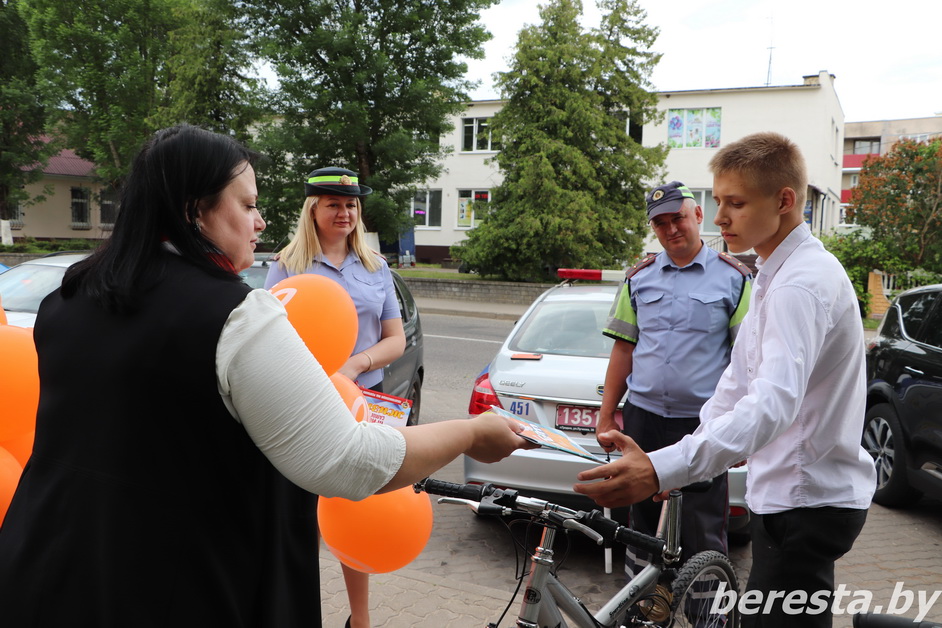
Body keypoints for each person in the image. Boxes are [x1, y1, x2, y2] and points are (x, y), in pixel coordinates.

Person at [0, 124, 533, 628]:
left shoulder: (68, 298)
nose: (259, 223)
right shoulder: (234, 315)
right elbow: (348, 461)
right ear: (194, 211)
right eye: (248, 205)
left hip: (48, 573)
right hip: (174, 590)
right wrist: (470, 433)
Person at [575, 132, 876, 628]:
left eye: (735, 203)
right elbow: (737, 380)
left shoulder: (797, 283)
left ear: (784, 201)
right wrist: (676, 465)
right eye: (718, 202)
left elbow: (771, 402)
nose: (720, 217)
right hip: (790, 493)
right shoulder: (774, 273)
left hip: (804, 501)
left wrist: (667, 467)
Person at [263, 167, 402, 628]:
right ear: (313, 210)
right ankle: (291, 609)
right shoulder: (287, 266)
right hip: (303, 401)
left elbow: (395, 339)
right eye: (333, 204)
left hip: (362, 399)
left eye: (351, 205)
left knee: (353, 508)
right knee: (297, 512)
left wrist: (355, 365)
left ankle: (359, 619)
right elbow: (266, 334)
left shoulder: (376, 266)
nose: (344, 212)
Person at [597, 180, 751, 579]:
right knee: (642, 522)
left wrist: (742, 428)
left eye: (678, 218)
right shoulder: (639, 277)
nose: (671, 229)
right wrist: (606, 414)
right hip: (643, 419)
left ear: (698, 215)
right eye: (660, 222)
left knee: (701, 524)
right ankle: (643, 604)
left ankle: (705, 608)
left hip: (702, 424)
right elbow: (624, 350)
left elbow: (747, 360)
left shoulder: (735, 279)